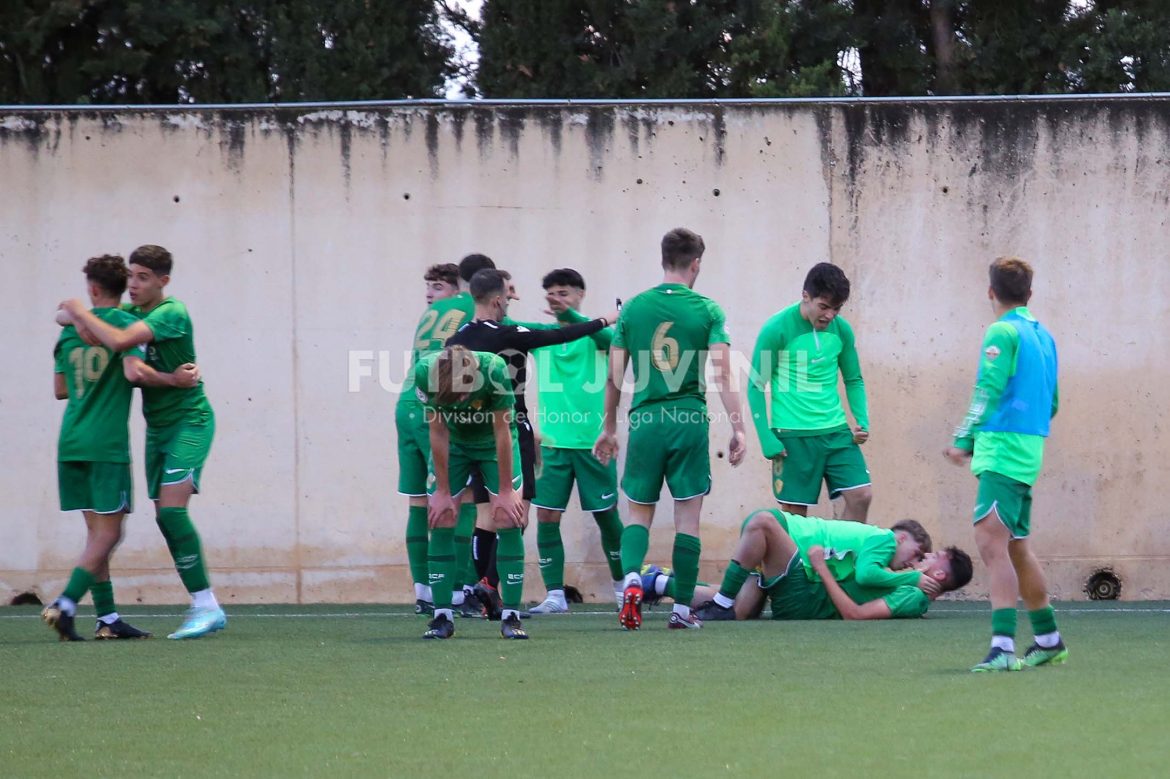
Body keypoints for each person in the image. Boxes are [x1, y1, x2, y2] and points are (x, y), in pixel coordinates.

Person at [58, 245, 225, 640]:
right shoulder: (131, 311)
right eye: (131, 275)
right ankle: (119, 617)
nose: (133, 284)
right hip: (157, 429)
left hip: (190, 422)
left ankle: (206, 606)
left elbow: (117, 341)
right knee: (163, 516)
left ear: (163, 281)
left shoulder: (171, 312)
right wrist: (76, 314)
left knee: (172, 513)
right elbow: (63, 317)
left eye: (144, 277)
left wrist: (80, 311)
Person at [594, 227, 747, 630]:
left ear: (663, 260)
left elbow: (613, 376)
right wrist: (739, 429)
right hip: (689, 420)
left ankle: (631, 579)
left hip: (646, 421)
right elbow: (723, 373)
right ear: (696, 263)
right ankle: (680, 610)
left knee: (638, 515)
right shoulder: (708, 310)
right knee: (688, 520)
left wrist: (609, 429)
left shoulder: (633, 309)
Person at [445, 268, 617, 611]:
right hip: (516, 433)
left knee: (486, 516)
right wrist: (606, 318)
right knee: (516, 516)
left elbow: (449, 391)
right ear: (498, 300)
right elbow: (556, 335)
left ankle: (479, 594)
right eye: (507, 296)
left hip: (476, 435)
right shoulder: (512, 335)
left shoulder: (456, 340)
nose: (510, 301)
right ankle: (496, 590)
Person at [945, 256, 1066, 672]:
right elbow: (1052, 401)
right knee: (1016, 546)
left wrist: (964, 437)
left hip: (1003, 449)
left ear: (990, 292)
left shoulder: (1001, 331)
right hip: (1029, 449)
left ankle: (1002, 648)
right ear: (1029, 293)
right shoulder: (1043, 336)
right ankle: (1048, 639)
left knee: (990, 543)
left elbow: (988, 386)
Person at [529, 268, 625, 613]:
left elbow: (610, 340)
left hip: (592, 444)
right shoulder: (542, 336)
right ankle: (555, 595)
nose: (557, 299)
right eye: (552, 294)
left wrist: (571, 315)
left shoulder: (598, 335)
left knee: (607, 516)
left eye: (564, 293)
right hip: (553, 445)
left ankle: (623, 587)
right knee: (546, 516)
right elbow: (499, 327)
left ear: (581, 295)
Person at [414, 345, 527, 640]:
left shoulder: (495, 370)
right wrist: (442, 490)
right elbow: (438, 431)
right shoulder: (424, 373)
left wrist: (505, 490)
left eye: (463, 394)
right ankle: (442, 615)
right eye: (453, 397)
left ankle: (511, 616)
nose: (461, 401)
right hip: (455, 445)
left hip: (492, 443)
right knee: (441, 517)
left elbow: (502, 431)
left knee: (508, 517)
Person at [396, 259, 486, 616]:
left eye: (437, 286)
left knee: (419, 501)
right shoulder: (472, 305)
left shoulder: (429, 314)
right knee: (459, 496)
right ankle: (457, 590)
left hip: (407, 402)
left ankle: (423, 589)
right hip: (437, 403)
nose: (430, 293)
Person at [748, 263, 872, 520]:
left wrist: (862, 420)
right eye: (824, 307)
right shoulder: (776, 329)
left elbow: (854, 379)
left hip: (836, 431)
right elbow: (755, 385)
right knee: (796, 517)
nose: (830, 315)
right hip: (792, 436)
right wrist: (765, 436)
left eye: (837, 308)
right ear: (806, 296)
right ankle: (799, 551)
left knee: (861, 496)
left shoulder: (842, 330)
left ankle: (840, 548)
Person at [690, 509, 946, 620]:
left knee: (740, 610)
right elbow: (866, 575)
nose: (913, 563)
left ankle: (667, 582)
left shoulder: (879, 555)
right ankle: (719, 601)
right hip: (790, 537)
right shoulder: (885, 539)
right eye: (917, 554)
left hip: (790, 556)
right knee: (763, 522)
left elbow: (866, 578)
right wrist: (913, 578)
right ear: (901, 538)